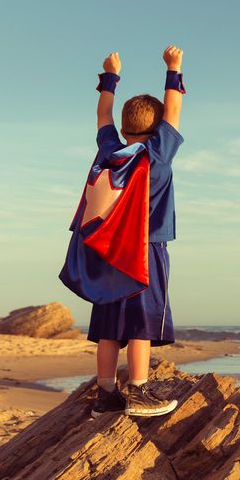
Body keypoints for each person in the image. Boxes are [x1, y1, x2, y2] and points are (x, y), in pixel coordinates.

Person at [81, 46, 186, 418]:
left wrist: (111, 75)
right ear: (157, 130)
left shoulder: (111, 150)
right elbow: (173, 110)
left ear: (124, 129)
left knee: (109, 328)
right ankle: (139, 391)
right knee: (141, 324)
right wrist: (174, 68)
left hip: (108, 251)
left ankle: (106, 395)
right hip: (147, 248)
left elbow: (102, 114)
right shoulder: (156, 156)